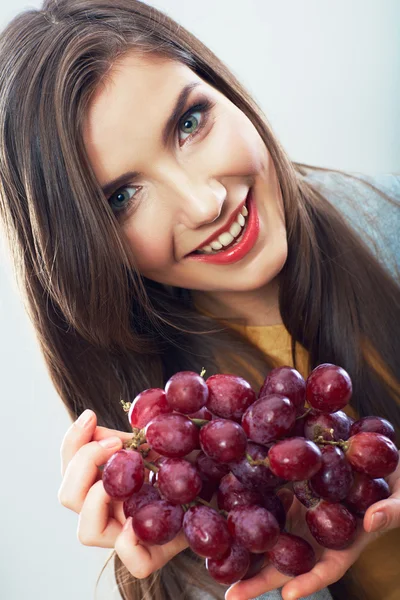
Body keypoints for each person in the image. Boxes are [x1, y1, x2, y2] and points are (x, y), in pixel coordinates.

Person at [0, 1, 399, 599]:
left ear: (222, 88)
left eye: (189, 123)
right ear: (82, 248)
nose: (203, 203)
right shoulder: (168, 450)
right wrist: (193, 580)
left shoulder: (388, 220)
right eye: (122, 197)